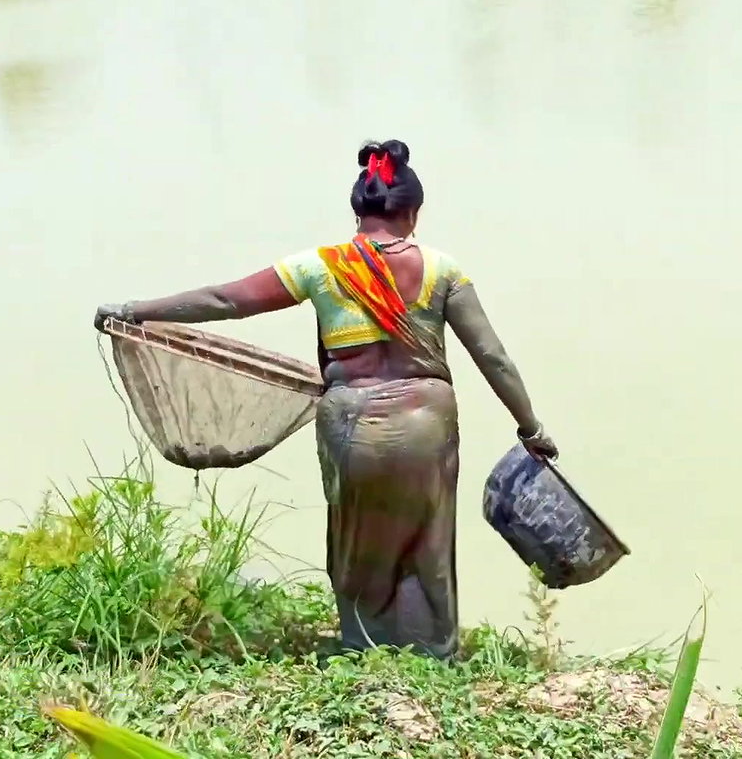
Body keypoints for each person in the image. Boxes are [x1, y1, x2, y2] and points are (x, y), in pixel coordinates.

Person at [92, 139, 557, 661]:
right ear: (413, 213)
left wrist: (133, 309)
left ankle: (362, 647)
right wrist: (530, 427)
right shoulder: (443, 270)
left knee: (357, 539)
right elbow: (492, 356)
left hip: (351, 422)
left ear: (358, 211)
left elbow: (226, 300)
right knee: (427, 541)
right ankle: (435, 654)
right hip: (425, 422)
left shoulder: (319, 266)